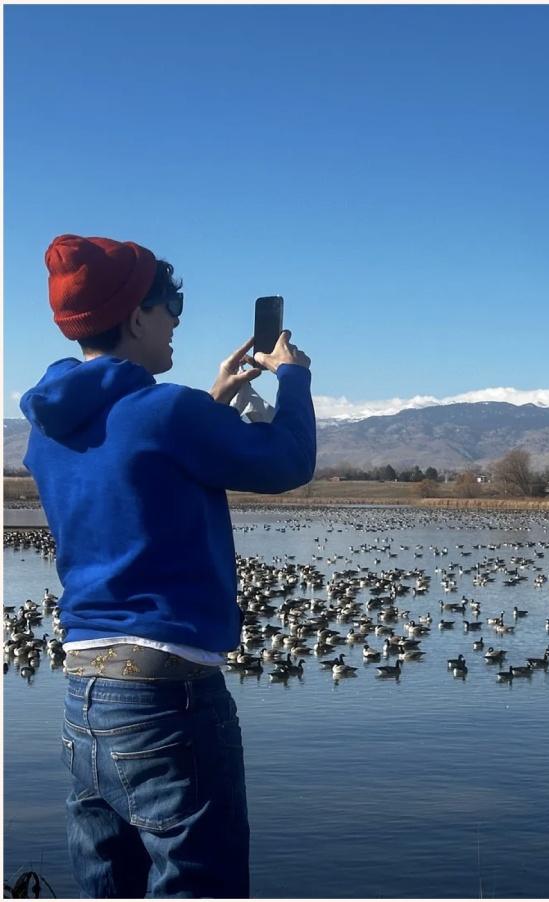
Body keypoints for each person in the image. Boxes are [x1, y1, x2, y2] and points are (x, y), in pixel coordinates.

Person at [19, 234, 316, 897]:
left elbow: (129, 479)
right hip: (167, 699)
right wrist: (293, 375)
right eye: (170, 304)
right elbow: (288, 462)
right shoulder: (166, 412)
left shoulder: (49, 428)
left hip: (84, 697)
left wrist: (209, 409)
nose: (178, 317)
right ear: (135, 317)